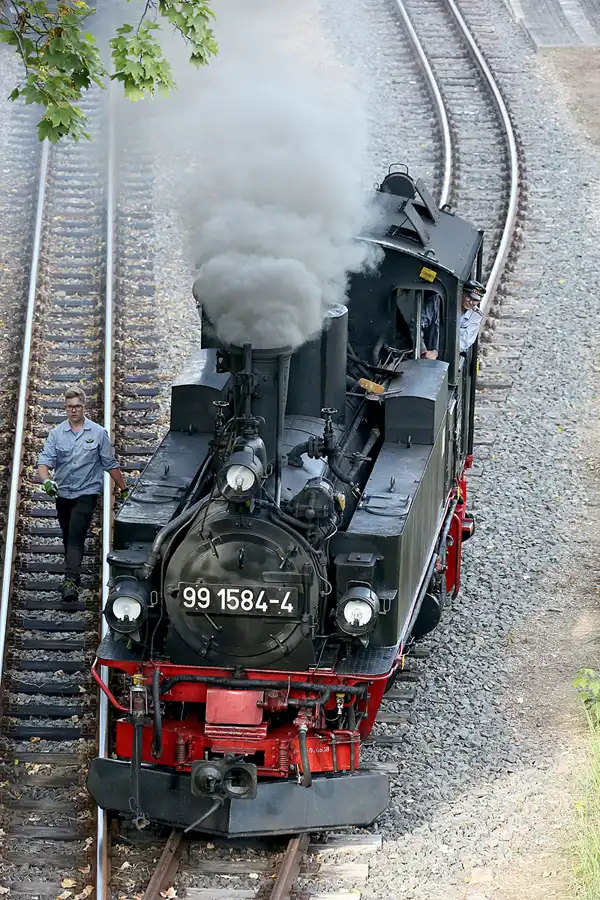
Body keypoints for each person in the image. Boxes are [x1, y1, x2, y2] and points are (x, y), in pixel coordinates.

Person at [37, 387, 129, 601]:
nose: (74, 410)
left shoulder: (98, 433)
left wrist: (124, 488)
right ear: (65, 408)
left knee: (76, 534)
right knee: (68, 534)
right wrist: (47, 481)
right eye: (70, 407)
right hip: (63, 493)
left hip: (87, 492)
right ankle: (74, 573)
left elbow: (110, 463)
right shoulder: (56, 434)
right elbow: (44, 462)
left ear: (84, 407)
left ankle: (70, 582)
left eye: (77, 406)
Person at [409, 291, 441, 360]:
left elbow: (461, 344)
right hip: (430, 356)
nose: (470, 302)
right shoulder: (437, 301)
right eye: (468, 297)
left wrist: (436, 352)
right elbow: (415, 324)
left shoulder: (468, 318)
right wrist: (423, 350)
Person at [459, 279, 486, 353]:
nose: (471, 302)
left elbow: (464, 342)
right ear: (463, 294)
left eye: (475, 300)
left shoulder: (476, 315)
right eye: (469, 297)